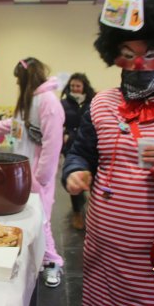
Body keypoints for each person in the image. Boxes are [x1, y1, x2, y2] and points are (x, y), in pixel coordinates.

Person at [63, 0, 154, 306]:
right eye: (127, 55)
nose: (138, 65)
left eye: (150, 54)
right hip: (103, 248)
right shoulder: (101, 103)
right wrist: (74, 170)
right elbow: (81, 151)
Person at [0, 57, 65, 287]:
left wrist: (40, 177)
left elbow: (53, 143)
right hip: (26, 171)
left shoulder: (47, 101)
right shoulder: (31, 100)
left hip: (37, 175)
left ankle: (53, 263)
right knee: (34, 219)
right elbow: (16, 126)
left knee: (42, 220)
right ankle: (41, 260)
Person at [60, 73, 96, 230]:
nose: (75, 88)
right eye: (72, 86)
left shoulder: (93, 102)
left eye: (78, 86)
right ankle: (77, 212)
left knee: (93, 178)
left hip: (91, 145)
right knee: (74, 179)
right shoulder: (63, 103)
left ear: (84, 87)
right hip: (71, 145)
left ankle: (94, 212)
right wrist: (64, 134)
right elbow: (59, 122)